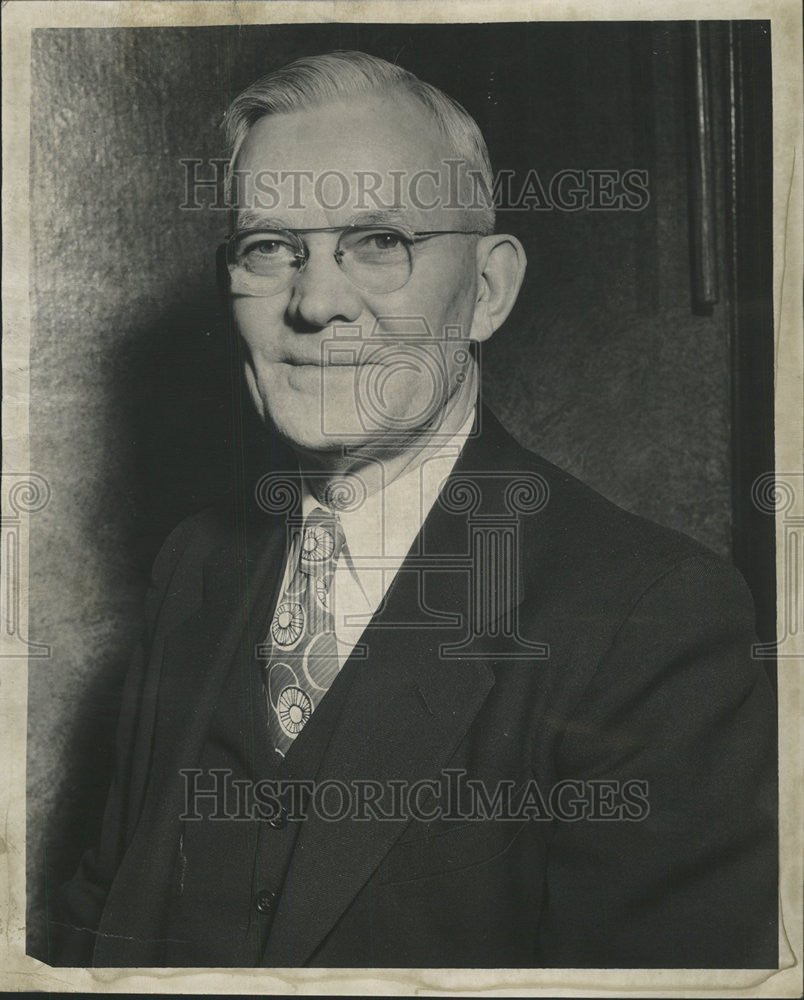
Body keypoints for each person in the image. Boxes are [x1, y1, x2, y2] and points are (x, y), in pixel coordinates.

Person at [55, 50, 777, 969]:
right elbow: (97, 919)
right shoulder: (193, 565)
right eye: (271, 247)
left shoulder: (655, 623)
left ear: (486, 290)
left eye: (379, 242)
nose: (315, 302)